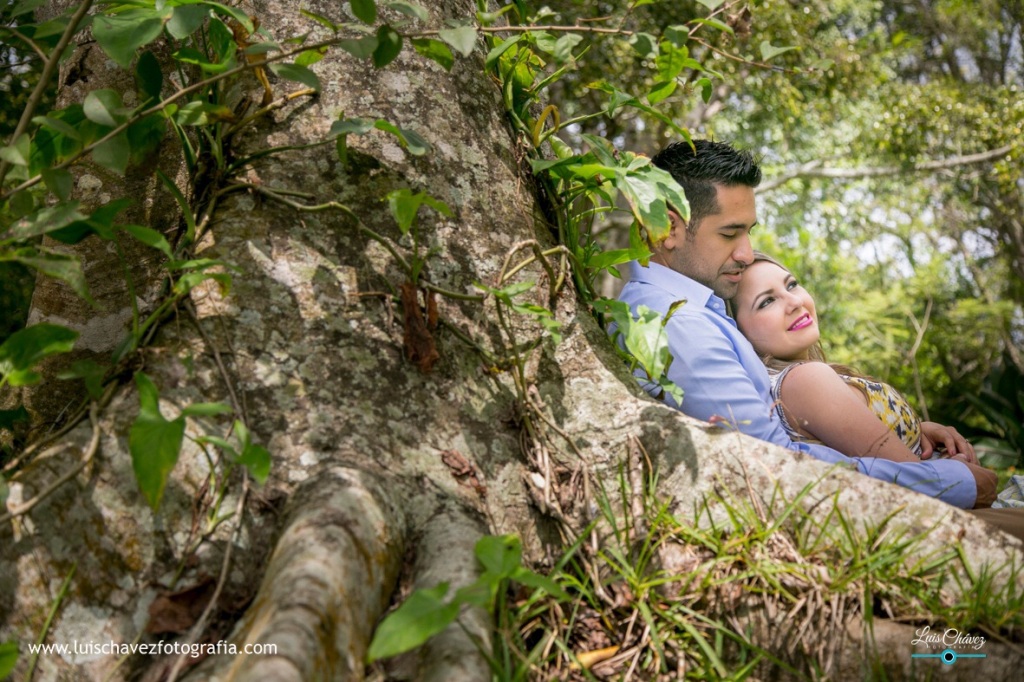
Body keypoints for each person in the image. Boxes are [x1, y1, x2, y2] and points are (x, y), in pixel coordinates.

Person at [616, 138, 999, 513]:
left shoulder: (688, 310)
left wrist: (908, 432)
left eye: (749, 232)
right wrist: (951, 480)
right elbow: (776, 467)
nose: (746, 253)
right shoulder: (677, 322)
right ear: (666, 229)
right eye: (729, 234)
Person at [730, 251, 978, 466]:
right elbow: (925, 482)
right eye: (767, 301)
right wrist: (960, 466)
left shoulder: (802, 377)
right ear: (738, 332)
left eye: (792, 284)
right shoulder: (804, 380)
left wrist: (915, 429)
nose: (794, 302)